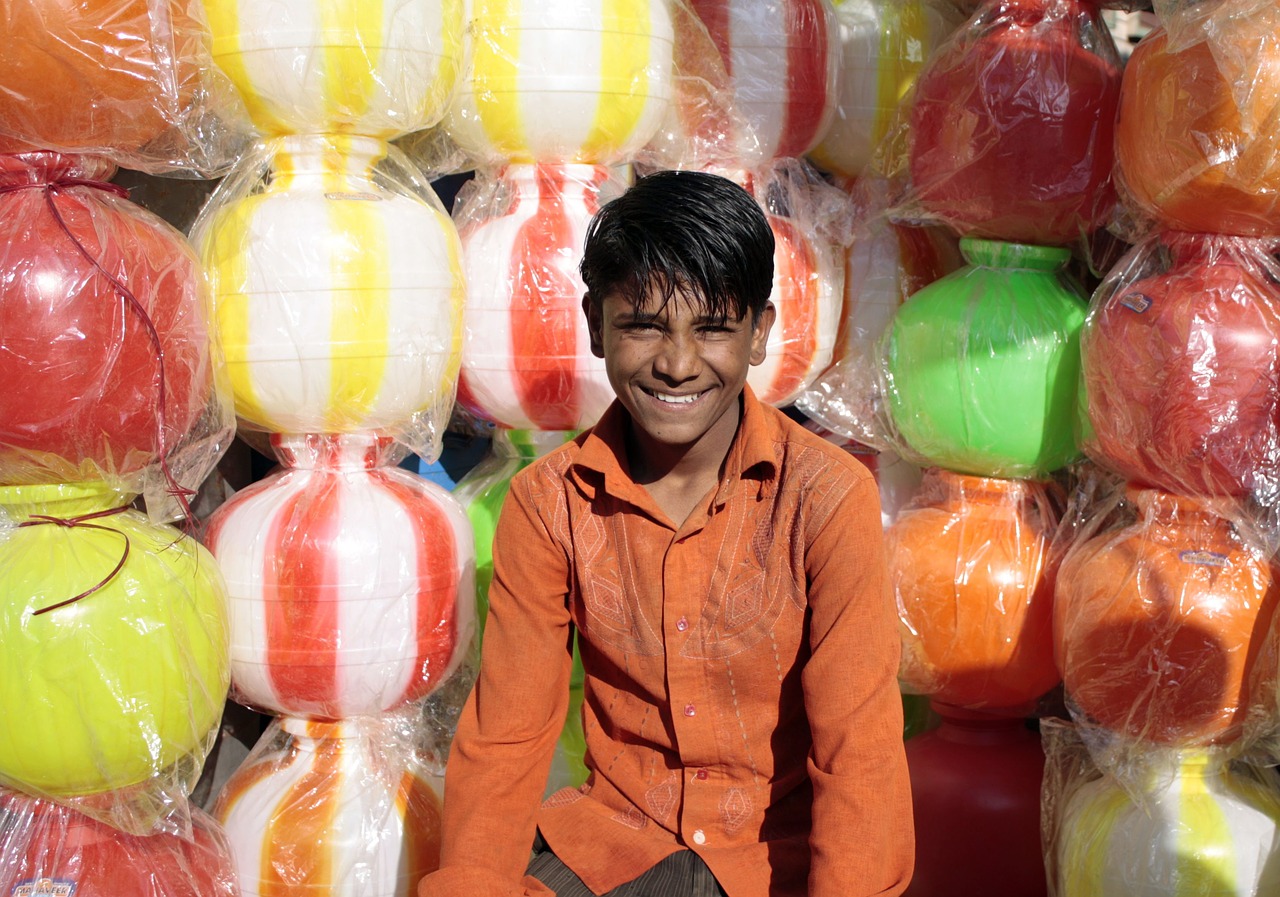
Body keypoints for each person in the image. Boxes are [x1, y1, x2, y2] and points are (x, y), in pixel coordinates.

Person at [419, 170, 912, 897]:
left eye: (712, 329)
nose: (678, 365)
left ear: (759, 333)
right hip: (610, 850)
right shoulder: (548, 503)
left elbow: (858, 746)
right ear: (596, 325)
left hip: (774, 862)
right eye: (644, 325)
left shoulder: (826, 496)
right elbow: (506, 739)